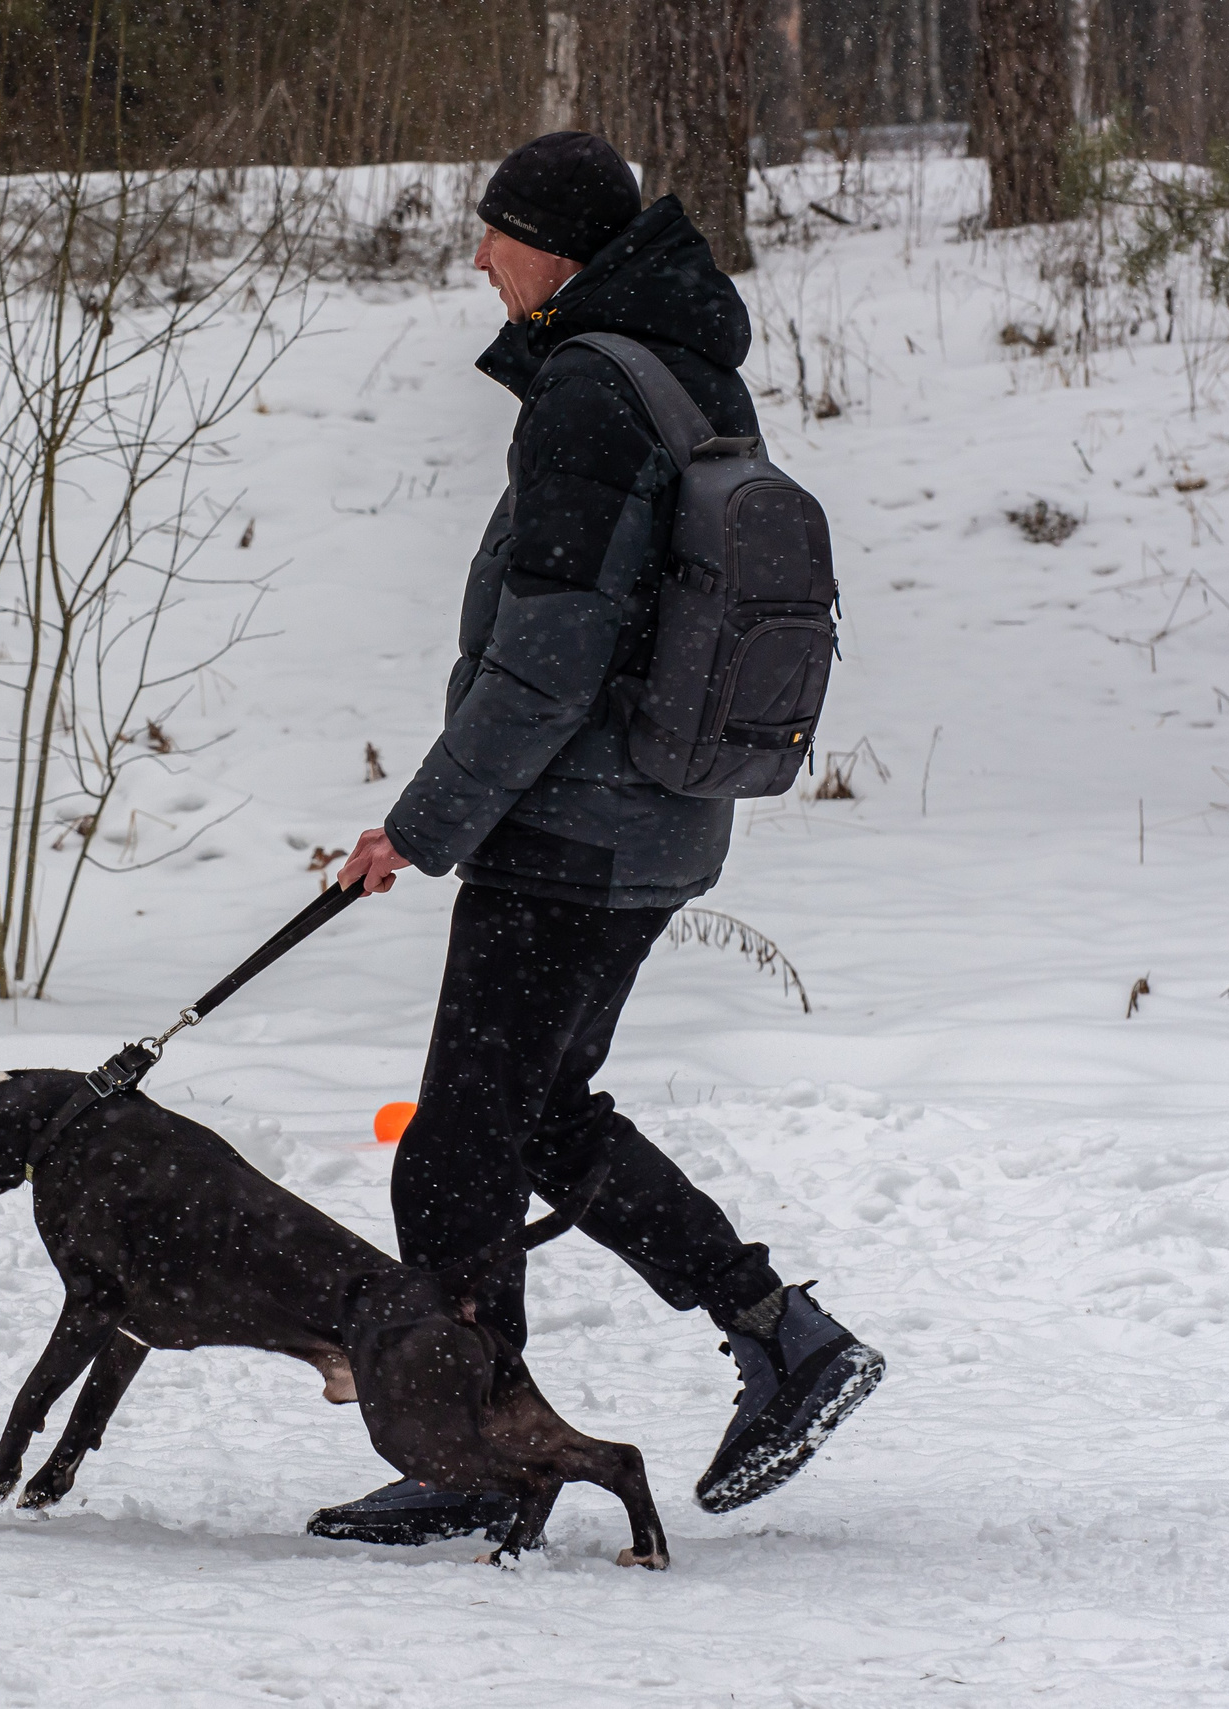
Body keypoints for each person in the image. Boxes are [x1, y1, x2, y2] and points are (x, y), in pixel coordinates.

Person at [310, 133, 883, 1548]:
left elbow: (551, 655)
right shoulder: (686, 368)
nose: (480, 258)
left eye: (497, 232)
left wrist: (421, 826)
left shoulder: (588, 387)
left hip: (567, 832)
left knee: (454, 1153)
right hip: (656, 820)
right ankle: (782, 1332)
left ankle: (475, 1451)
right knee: (542, 1117)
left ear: (557, 250)